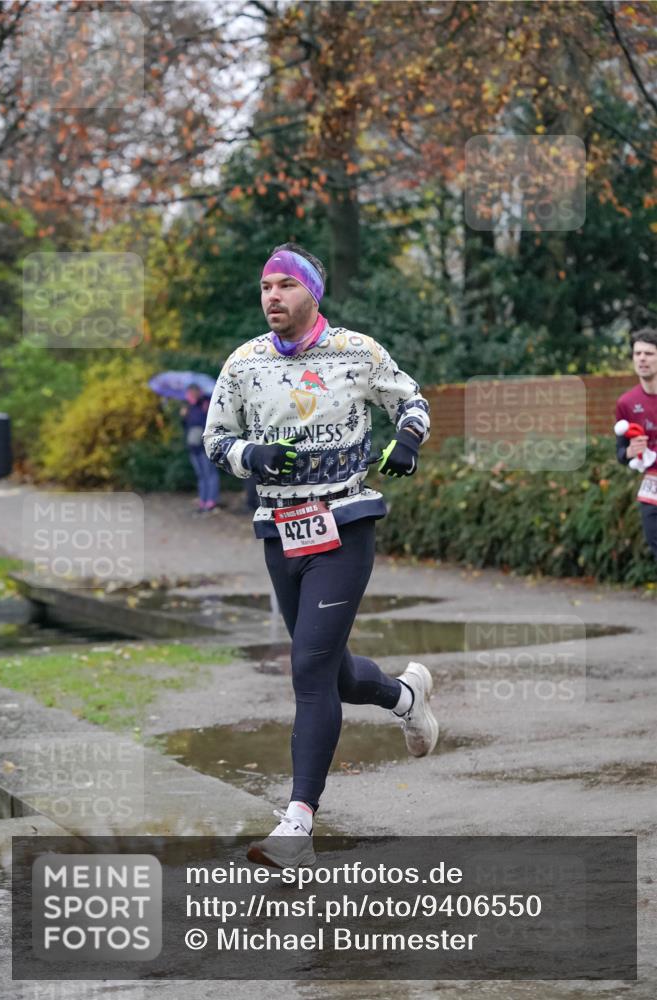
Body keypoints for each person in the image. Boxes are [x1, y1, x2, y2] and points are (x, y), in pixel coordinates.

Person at [203, 244, 438, 869]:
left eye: (284, 285)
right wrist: (250, 458)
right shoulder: (244, 364)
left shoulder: (358, 352)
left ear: (312, 293)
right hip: (280, 531)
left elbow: (411, 401)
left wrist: (407, 442)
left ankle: (298, 824)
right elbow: (215, 440)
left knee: (307, 670)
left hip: (344, 523)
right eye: (264, 287)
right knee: (329, 672)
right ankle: (405, 698)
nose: (271, 297)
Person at [615, 328, 657, 560]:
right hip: (652, 486)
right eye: (637, 353)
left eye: (649, 354)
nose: (642, 358)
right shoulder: (626, 403)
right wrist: (630, 451)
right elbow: (620, 453)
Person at [182, 384, 220, 514]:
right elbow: (186, 427)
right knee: (201, 475)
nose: (190, 396)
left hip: (206, 446)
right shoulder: (189, 407)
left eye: (192, 393)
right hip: (193, 447)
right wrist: (183, 416)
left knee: (210, 473)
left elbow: (209, 423)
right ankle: (203, 500)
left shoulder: (206, 403)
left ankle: (211, 501)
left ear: (198, 392)